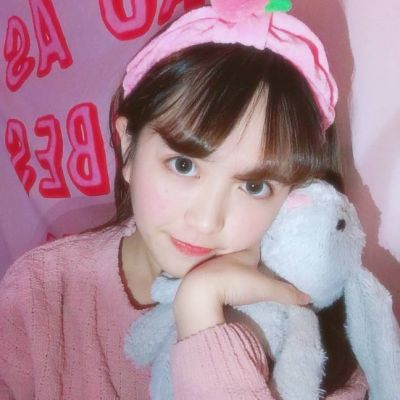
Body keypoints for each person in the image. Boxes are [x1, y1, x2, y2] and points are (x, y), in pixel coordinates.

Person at [0, 1, 368, 399]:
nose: (207, 221)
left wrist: (201, 313)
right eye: (183, 165)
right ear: (127, 147)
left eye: (254, 186)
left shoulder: (323, 349)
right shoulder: (41, 292)